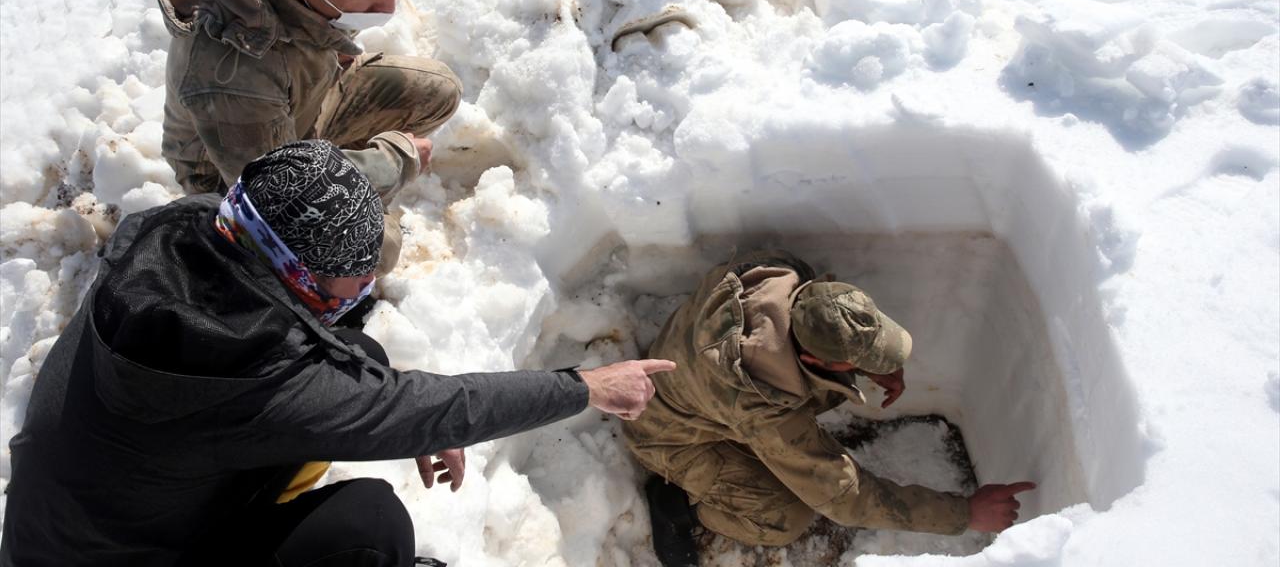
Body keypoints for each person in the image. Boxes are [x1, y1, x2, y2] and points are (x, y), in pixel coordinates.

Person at [0, 141, 675, 567]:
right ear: (298, 274)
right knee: (369, 526)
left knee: (353, 347)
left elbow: (342, 369)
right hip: (122, 552)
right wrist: (588, 385)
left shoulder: (185, 236)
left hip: (91, 512)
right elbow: (419, 401)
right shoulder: (253, 385)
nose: (366, 289)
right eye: (353, 283)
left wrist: (402, 412)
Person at [622, 250, 1035, 566]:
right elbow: (845, 497)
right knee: (786, 516)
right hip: (668, 434)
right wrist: (964, 513)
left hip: (688, 379)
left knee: (805, 428)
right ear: (815, 360)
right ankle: (676, 506)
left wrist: (874, 363)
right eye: (851, 363)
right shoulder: (763, 405)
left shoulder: (776, 273)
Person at [156, 0, 460, 275]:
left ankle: (342, 178)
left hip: (305, 100)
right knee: (375, 250)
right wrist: (392, 161)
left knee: (437, 91)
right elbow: (273, 193)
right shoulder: (232, 75)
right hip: (238, 174)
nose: (389, 6)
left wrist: (328, 49)